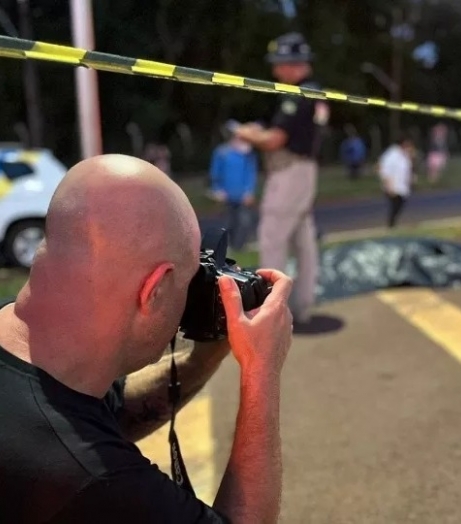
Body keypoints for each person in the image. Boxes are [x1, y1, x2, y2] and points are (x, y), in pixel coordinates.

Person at [0, 154, 293, 524]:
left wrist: (201, 358)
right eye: (188, 282)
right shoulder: (91, 477)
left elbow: (107, 416)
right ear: (153, 292)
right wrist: (261, 371)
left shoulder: (44, 368)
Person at [232, 32, 330, 325]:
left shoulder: (298, 94)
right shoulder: (315, 92)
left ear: (293, 64)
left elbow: (275, 139)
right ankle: (302, 306)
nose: (276, 71)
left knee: (273, 237)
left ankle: (271, 313)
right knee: (303, 240)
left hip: (289, 171)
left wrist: (248, 134)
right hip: (304, 171)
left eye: (280, 64)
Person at [209, 127, 258, 251]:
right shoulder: (222, 152)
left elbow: (250, 173)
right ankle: (226, 245)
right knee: (226, 222)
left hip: (242, 195)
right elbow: (215, 172)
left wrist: (249, 191)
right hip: (226, 195)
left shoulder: (247, 154)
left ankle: (240, 245)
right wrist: (217, 189)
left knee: (244, 221)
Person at [378, 134, 414, 228]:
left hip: (401, 186)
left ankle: (392, 224)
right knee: (396, 205)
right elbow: (385, 171)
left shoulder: (404, 155)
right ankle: (391, 224)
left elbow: (407, 168)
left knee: (400, 204)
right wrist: (389, 185)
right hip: (393, 185)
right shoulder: (391, 155)